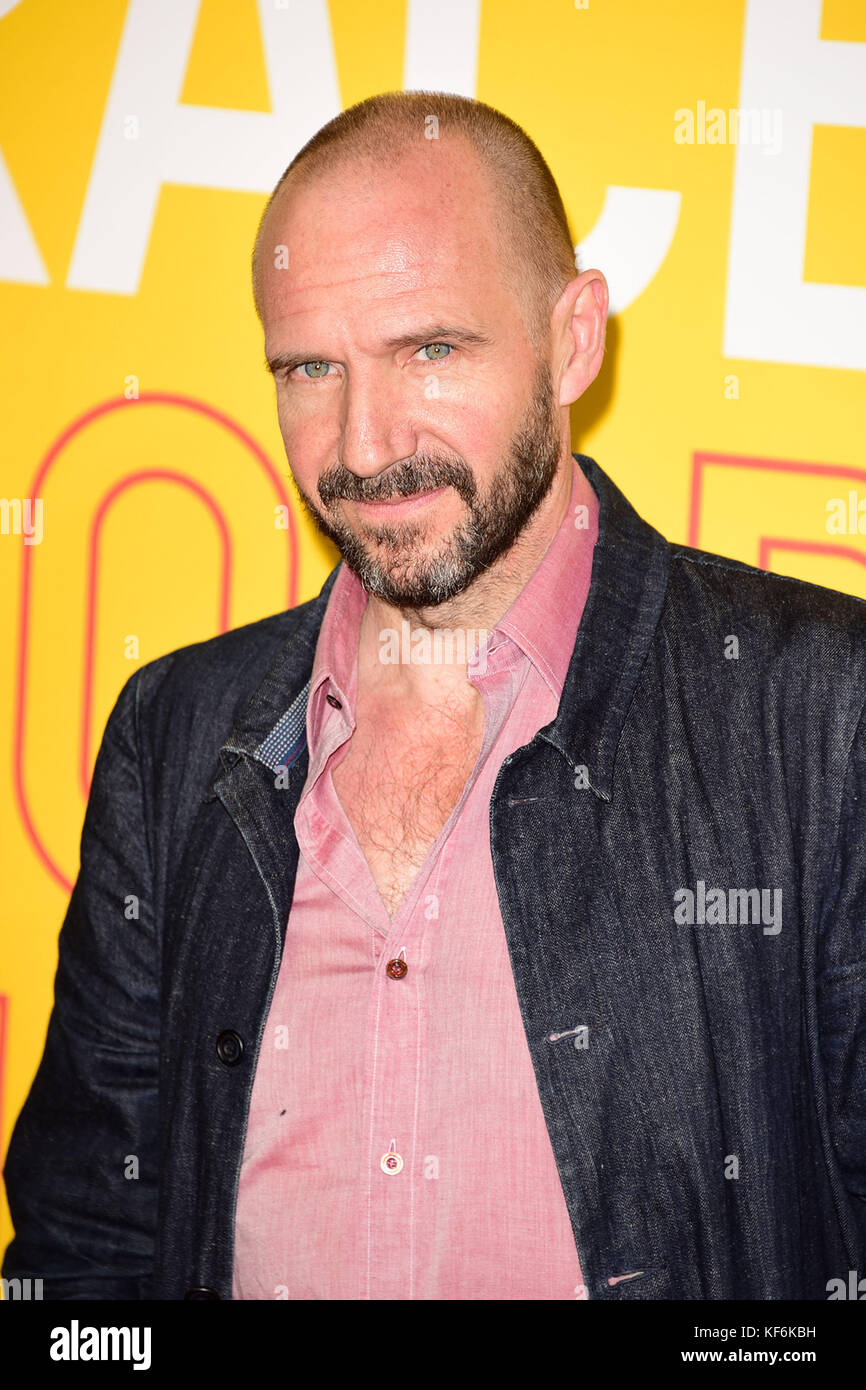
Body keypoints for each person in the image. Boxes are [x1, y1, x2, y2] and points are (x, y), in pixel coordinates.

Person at [3, 89, 865, 1302]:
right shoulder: (175, 729)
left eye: (428, 349)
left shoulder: (822, 712)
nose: (360, 443)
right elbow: (87, 1245)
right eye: (309, 367)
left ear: (572, 339)